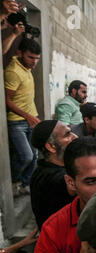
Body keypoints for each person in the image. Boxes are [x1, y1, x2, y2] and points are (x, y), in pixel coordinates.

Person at [5, 37, 41, 196]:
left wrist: (33, 116)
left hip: (30, 119)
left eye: (37, 59)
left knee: (34, 156)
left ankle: (26, 184)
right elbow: (6, 101)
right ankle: (13, 182)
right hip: (17, 122)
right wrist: (27, 116)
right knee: (25, 156)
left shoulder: (26, 68)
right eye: (30, 57)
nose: (34, 62)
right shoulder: (13, 71)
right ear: (19, 53)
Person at [30, 120, 78, 229]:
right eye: (67, 134)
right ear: (51, 147)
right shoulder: (55, 178)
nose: (75, 137)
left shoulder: (45, 169)